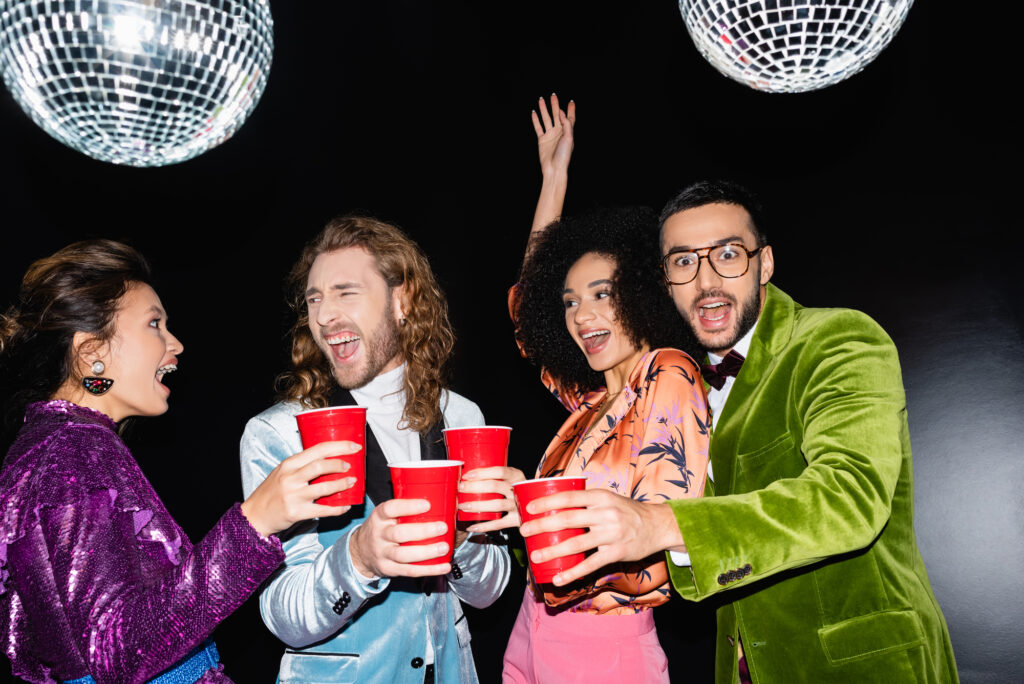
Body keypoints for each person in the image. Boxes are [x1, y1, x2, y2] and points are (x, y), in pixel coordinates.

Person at [514, 99, 959, 682]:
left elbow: (850, 497)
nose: (705, 282)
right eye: (682, 262)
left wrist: (661, 525)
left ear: (764, 262)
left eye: (727, 255)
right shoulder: (675, 377)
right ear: (663, 282)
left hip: (860, 664)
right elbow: (534, 316)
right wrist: (554, 183)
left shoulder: (838, 339)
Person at [0, 240, 358, 684]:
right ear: (92, 352)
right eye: (155, 324)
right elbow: (115, 650)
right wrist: (255, 522)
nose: (176, 344)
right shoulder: (75, 451)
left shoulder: (49, 445)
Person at [458, 96, 710, 683]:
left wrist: (531, 512)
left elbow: (666, 558)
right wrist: (553, 178)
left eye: (602, 293)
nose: (581, 314)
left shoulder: (667, 373)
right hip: (533, 629)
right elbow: (527, 311)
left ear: (642, 295)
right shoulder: (592, 401)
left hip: (606, 652)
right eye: (570, 301)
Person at [239, 216, 511, 684]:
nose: (324, 316)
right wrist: (358, 559)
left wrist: (464, 535)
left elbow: (488, 594)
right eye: (314, 299)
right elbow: (284, 617)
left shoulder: (463, 418)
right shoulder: (280, 433)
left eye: (346, 292)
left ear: (402, 300)